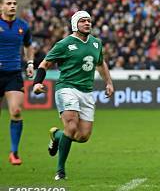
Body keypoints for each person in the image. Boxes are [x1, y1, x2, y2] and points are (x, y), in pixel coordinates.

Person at [32, 11, 114, 180]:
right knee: (71, 126)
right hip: (66, 88)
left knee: (83, 136)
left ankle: (56, 135)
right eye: (83, 21)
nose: (87, 23)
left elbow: (100, 63)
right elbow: (45, 64)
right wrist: (37, 83)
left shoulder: (96, 43)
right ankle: (60, 171)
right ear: (75, 24)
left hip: (86, 91)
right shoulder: (64, 44)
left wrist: (109, 82)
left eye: (89, 21)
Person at [0, 0, 34, 165]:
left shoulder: (23, 26)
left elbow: (29, 45)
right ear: (1, 7)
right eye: (9, 3)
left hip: (13, 74)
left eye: (14, 3)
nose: (12, 6)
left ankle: (14, 152)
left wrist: (29, 62)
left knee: (16, 111)